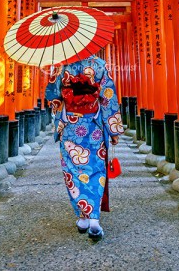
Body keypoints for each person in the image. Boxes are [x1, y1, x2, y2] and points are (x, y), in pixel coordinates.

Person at [45, 55, 123, 241]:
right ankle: (94, 219)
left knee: (73, 169)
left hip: (71, 126)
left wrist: (67, 99)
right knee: (95, 168)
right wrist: (113, 129)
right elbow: (108, 97)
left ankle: (82, 217)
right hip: (93, 125)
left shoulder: (59, 65)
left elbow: (52, 97)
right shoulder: (99, 65)